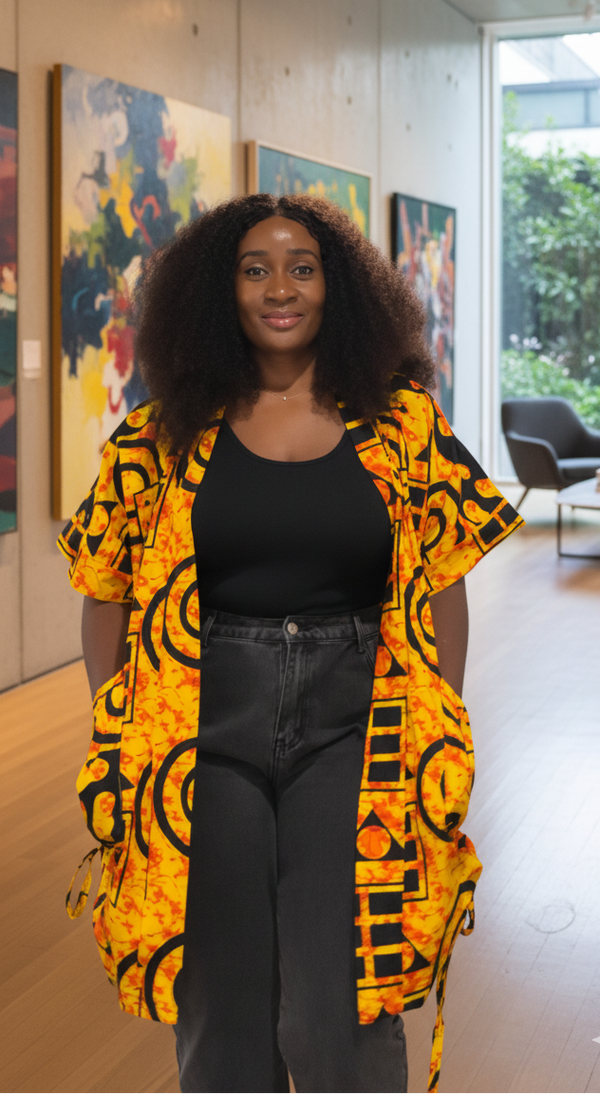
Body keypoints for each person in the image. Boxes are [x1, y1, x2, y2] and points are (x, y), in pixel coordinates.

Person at [60, 193, 523, 1095]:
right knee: (221, 998)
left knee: (341, 990)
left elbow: (442, 580)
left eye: (302, 266)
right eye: (256, 267)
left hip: (356, 720)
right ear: (219, 291)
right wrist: (123, 723)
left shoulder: (403, 426)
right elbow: (104, 592)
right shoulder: (159, 436)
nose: (282, 288)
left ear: (335, 286)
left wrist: (444, 717)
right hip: (202, 724)